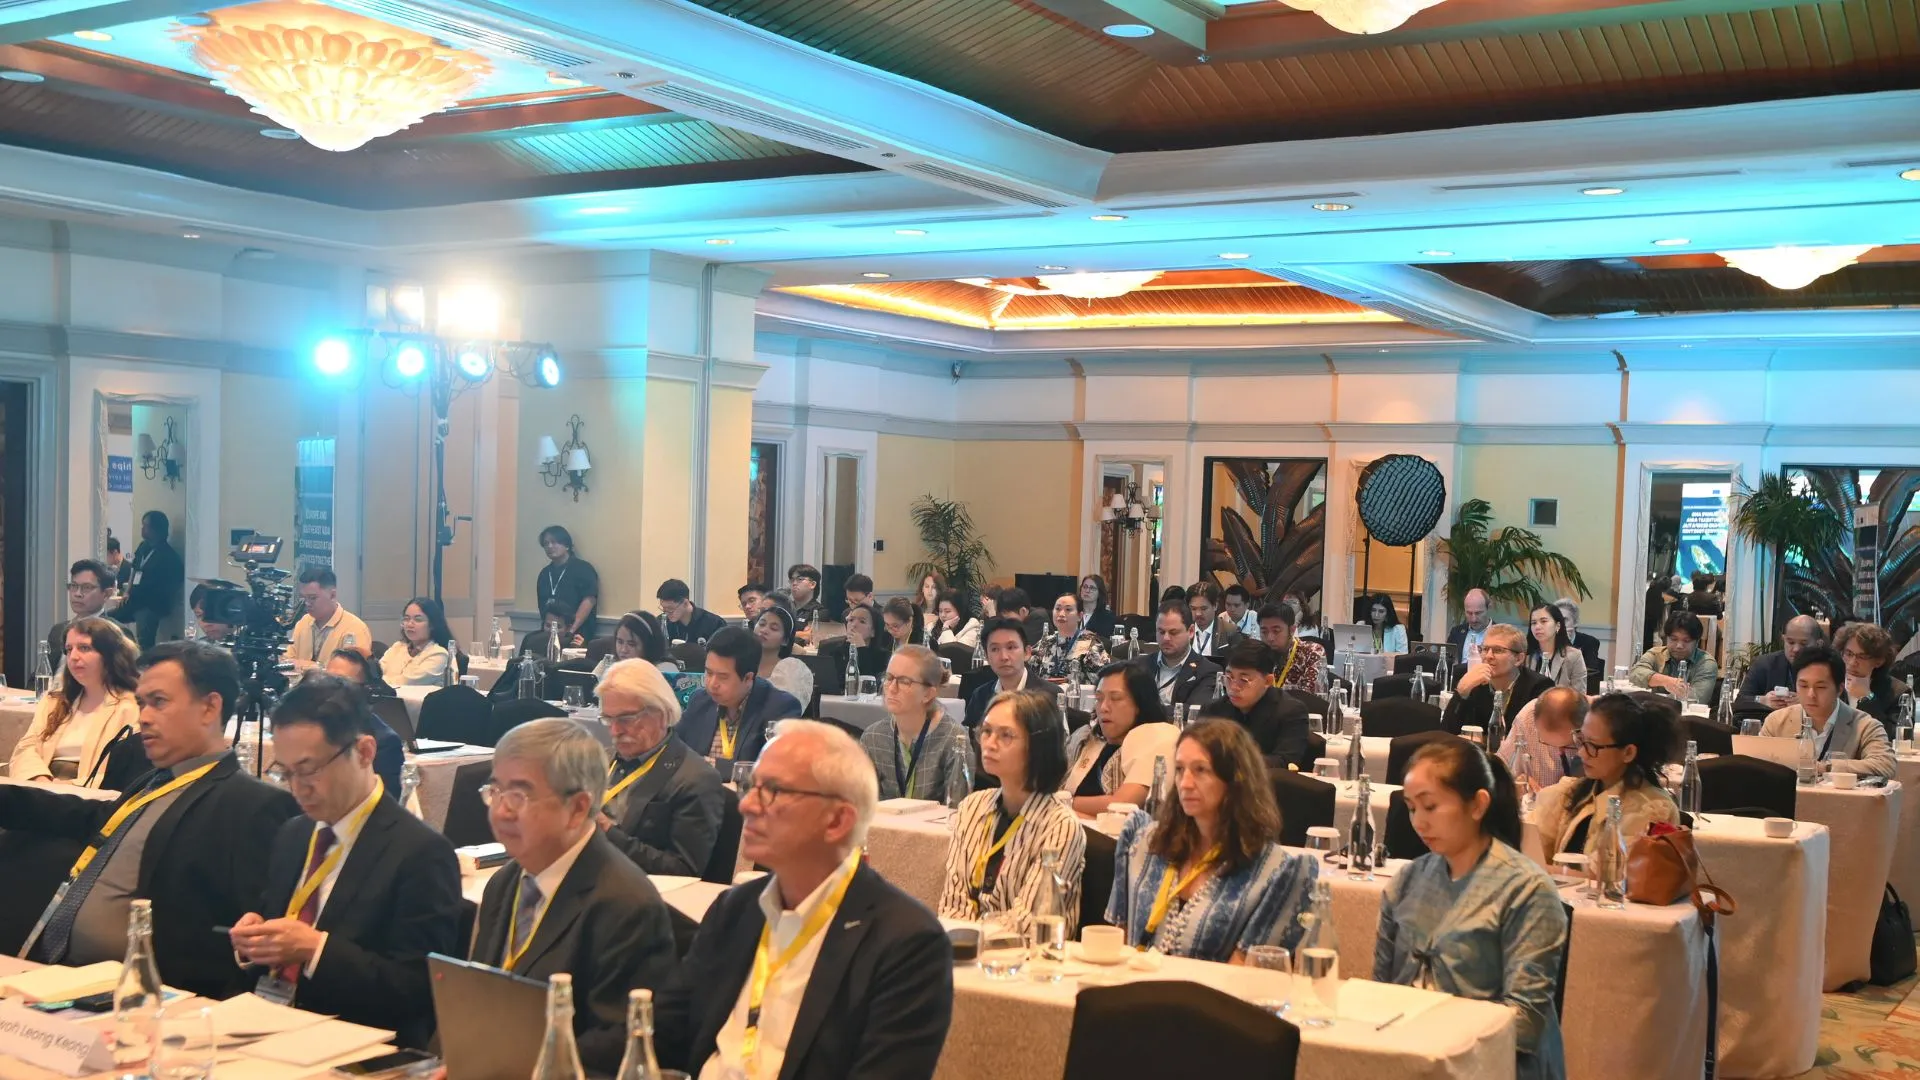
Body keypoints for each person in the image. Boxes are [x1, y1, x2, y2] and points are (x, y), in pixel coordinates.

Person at [654, 721, 954, 1080]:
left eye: (773, 790)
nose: (746, 804)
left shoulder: (905, 942)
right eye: (751, 786)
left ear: (837, 820)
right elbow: (660, 1035)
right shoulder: (735, 909)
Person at [0, 642, 299, 995]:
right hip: (63, 976)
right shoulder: (154, 781)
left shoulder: (251, 804)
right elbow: (86, 816)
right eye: (142, 703)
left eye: (159, 702)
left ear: (209, 707)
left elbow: (255, 935)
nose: (143, 716)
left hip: (148, 995)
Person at [229, 675, 461, 1048]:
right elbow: (277, 922)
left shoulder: (420, 852)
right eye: (285, 773)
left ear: (365, 752)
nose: (297, 787)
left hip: (361, 1047)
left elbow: (419, 989)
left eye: (309, 770)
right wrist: (256, 939)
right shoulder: (293, 834)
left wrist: (315, 950)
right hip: (271, 1028)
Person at [472, 719, 678, 1074]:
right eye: (495, 791)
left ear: (578, 808)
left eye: (519, 796)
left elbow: (619, 1043)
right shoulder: (505, 881)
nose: (501, 810)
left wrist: (515, 1061)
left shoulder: (624, 903)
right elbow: (477, 996)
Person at [1375, 738, 1568, 1080]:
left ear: (1478, 805)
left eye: (1430, 806)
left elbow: (1524, 1022)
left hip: (1496, 1065)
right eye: (1411, 808)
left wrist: (1433, 1028)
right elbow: (1380, 992)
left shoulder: (1527, 890)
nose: (1418, 822)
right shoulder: (1406, 881)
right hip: (1413, 1056)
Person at [1107, 720, 1318, 962]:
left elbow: (1245, 973)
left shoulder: (1273, 872)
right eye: (1179, 769)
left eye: (1200, 770)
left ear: (1235, 779)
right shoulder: (1145, 843)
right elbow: (1117, 943)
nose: (1185, 783)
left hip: (1214, 987)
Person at [939, 690, 1085, 931]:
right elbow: (952, 904)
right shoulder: (972, 807)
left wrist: (973, 936)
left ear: (1038, 746)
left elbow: (1029, 925)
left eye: (1006, 735)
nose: (989, 744)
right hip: (966, 947)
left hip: (1027, 952)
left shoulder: (1059, 825)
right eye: (986, 731)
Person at [595, 659, 727, 877]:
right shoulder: (602, 759)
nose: (615, 730)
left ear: (662, 714)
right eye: (608, 719)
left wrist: (607, 831)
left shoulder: (696, 779)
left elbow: (683, 869)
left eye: (626, 719)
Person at [1535, 693, 1678, 862]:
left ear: (1628, 752)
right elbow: (1534, 847)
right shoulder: (1574, 791)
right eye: (1581, 740)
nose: (1581, 753)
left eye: (1593, 746)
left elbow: (1606, 872)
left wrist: (1539, 870)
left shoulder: (1651, 809)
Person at [11, 617, 139, 785]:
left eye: (84, 648)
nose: (73, 657)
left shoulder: (132, 707)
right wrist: (41, 779)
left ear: (110, 655)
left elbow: (126, 772)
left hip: (91, 794)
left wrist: (68, 786)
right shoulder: (54, 701)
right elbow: (26, 748)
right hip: (42, 785)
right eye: (69, 649)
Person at [1761, 645, 1896, 779]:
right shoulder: (1777, 721)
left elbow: (1885, 765)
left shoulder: (1864, 725)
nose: (1811, 694)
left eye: (1820, 687)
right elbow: (1756, 763)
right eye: (1803, 686)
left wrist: (1826, 767)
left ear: (1840, 689)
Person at [860, 646, 971, 805]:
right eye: (889, 678)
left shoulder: (953, 739)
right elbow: (863, 804)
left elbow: (958, 807)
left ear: (928, 694)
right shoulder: (873, 737)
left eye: (904, 682)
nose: (892, 688)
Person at [1064, 661, 1178, 815]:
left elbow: (1121, 805)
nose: (1103, 707)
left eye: (1116, 698)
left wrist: (1062, 803)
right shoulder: (1087, 738)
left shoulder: (1159, 735)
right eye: (1099, 698)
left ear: (1141, 703)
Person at [678, 626, 803, 766]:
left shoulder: (780, 708)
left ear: (748, 678)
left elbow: (775, 768)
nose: (712, 684)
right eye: (709, 673)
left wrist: (710, 766)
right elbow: (675, 750)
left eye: (723, 677)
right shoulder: (700, 700)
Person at [1198, 641, 1311, 765]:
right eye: (1229, 677)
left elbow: (1286, 762)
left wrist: (1233, 763)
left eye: (1243, 680)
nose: (1234, 687)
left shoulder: (1290, 712)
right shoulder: (1213, 711)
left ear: (1268, 681)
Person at [319, 650, 406, 795]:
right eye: (325, 680)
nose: (328, 689)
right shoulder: (310, 728)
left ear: (368, 692)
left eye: (341, 683)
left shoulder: (384, 742)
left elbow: (385, 802)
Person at [1442, 623, 1552, 737]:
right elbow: (1446, 733)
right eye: (1485, 649)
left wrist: (1483, 741)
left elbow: (1534, 738)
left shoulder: (1539, 687)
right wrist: (1461, 692)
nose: (1488, 656)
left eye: (1498, 650)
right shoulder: (1474, 682)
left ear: (1519, 659)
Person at [965, 617, 1062, 730]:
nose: (1004, 657)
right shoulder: (980, 696)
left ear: (1027, 652)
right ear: (986, 656)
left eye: (1011, 647)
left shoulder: (1049, 695)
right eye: (995, 649)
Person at [1495, 687, 1587, 794]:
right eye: (1546, 742)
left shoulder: (1593, 726)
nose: (1560, 752)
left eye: (1567, 746)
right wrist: (1516, 780)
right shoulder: (1528, 717)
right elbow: (1501, 768)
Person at [116, 510, 185, 649]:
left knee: (144, 639)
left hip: (151, 605)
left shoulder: (168, 556)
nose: (142, 529)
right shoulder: (143, 546)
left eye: (145, 526)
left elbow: (175, 583)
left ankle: (143, 659)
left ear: (156, 529)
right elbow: (134, 569)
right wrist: (127, 591)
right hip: (134, 600)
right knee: (107, 618)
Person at [286, 566, 373, 669]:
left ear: (332, 595)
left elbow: (352, 672)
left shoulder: (355, 628)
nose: (307, 603)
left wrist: (312, 667)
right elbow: (288, 660)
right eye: (303, 598)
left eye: (312, 598)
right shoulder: (303, 622)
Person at [1736, 615, 1824, 714]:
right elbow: (1740, 701)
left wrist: (1807, 702)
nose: (1796, 649)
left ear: (1818, 644)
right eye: (1791, 642)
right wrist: (1763, 700)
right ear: (1784, 639)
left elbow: (1836, 703)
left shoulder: (1827, 669)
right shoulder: (1764, 664)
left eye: (1803, 644)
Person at [1628, 611, 1719, 704]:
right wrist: (1668, 681)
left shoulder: (1706, 663)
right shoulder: (1655, 654)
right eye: (1674, 639)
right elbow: (1635, 674)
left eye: (1686, 640)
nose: (1679, 645)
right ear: (1666, 638)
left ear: (1696, 642)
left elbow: (1698, 699)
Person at [47, 558, 118, 673]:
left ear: (106, 594)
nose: (77, 594)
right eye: (74, 586)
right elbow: (42, 673)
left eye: (87, 587)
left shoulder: (115, 633)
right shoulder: (58, 630)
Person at [1151, 600, 1221, 708]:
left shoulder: (1207, 671)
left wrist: (1147, 710)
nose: (1166, 638)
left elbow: (1192, 711)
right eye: (1161, 632)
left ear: (1191, 631)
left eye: (1173, 632)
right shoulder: (1139, 665)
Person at [536, 526, 601, 642]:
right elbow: (543, 608)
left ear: (567, 545)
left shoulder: (583, 569)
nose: (549, 546)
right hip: (549, 634)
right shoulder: (544, 574)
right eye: (546, 543)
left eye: (554, 542)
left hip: (577, 634)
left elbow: (589, 600)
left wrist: (570, 631)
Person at [379, 596, 454, 687]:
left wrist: (379, 681)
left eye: (418, 620)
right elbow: (377, 673)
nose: (410, 624)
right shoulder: (398, 647)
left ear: (432, 625)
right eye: (406, 619)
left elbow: (405, 683)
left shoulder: (438, 654)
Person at [1835, 622, 1900, 725]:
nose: (1852, 663)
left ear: (1879, 661)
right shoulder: (1831, 683)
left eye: (1862, 656)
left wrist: (1867, 697)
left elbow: (1894, 733)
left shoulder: (1898, 693)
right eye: (1849, 654)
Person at [1034, 592, 1110, 680]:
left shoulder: (1091, 644)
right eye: (1058, 609)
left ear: (1080, 616)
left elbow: (1104, 681)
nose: (1061, 614)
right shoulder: (1045, 643)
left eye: (1068, 609)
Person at [752, 606, 814, 712]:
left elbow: (788, 710)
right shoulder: (741, 661)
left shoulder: (791, 670)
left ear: (785, 640)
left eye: (774, 628)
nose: (764, 630)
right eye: (761, 624)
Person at [1256, 603, 1326, 694]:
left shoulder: (1312, 652)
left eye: (1276, 631)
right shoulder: (1258, 653)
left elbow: (1309, 696)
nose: (1270, 638)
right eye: (1264, 632)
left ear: (1292, 630)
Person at [1524, 604, 1588, 692]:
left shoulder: (1574, 656)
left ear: (1557, 626)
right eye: (1534, 623)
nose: (1537, 627)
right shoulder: (1525, 657)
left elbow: (1579, 695)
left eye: (1543, 621)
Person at [1554, 598, 1603, 692]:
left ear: (1575, 622)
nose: (1560, 625)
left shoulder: (1590, 642)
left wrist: (1567, 643)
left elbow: (1590, 673)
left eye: (1564, 620)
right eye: (1557, 620)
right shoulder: (1548, 642)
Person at [659, 579, 728, 645]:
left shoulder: (714, 624)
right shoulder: (660, 623)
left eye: (670, 609)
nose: (666, 613)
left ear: (685, 603)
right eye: (663, 608)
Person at [1186, 581, 1236, 656]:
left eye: (1203, 609)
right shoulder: (1184, 629)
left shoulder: (1230, 631)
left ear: (1215, 606)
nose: (1198, 614)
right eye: (1193, 609)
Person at [1446, 587, 1493, 665]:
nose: (1473, 619)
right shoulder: (1456, 632)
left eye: (1478, 613)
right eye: (1469, 613)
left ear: (1488, 607)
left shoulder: (1501, 633)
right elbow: (1448, 662)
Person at [785, 563, 825, 636]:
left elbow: (808, 635)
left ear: (812, 584)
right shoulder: (785, 607)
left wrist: (781, 634)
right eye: (792, 580)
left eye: (799, 579)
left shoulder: (819, 611)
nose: (794, 583)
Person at [1079, 575, 1117, 639]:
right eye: (1085, 587)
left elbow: (1108, 641)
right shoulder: (1073, 612)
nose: (1087, 590)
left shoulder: (1107, 617)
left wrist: (1094, 637)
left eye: (1092, 588)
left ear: (1099, 593)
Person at [915, 572, 947, 636]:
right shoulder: (915, 610)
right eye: (927, 586)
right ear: (922, 589)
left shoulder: (944, 611)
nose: (930, 590)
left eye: (934, 587)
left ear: (939, 590)